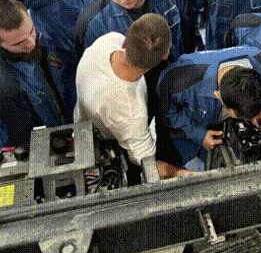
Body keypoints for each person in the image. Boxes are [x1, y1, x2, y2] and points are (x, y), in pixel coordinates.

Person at [75, 14, 187, 179]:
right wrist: (184, 173)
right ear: (165, 55)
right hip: (104, 144)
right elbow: (147, 162)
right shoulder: (131, 112)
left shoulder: (108, 40)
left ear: (124, 42)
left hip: (82, 119)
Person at [0, 0, 73, 148]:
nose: (32, 43)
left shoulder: (1, 27)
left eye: (31, 31)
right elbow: (23, 147)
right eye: (19, 43)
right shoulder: (3, 92)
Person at [156, 46, 261, 169]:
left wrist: (259, 110)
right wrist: (199, 135)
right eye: (238, 116)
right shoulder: (177, 80)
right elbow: (168, 114)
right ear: (218, 95)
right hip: (192, 130)